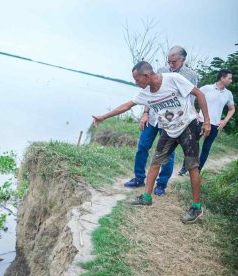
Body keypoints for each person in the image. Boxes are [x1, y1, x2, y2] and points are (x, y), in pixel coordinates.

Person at [93, 61, 211, 224]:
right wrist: (103, 116)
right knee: (155, 162)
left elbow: (199, 94)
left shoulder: (173, 79)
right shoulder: (145, 93)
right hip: (168, 129)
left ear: (147, 75)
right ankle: (147, 197)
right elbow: (127, 105)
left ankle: (196, 206)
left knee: (192, 166)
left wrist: (206, 121)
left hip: (188, 127)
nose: (136, 83)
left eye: (137, 79)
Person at [124, 46, 198, 197]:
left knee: (167, 155)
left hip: (173, 121)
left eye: (174, 62)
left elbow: (192, 98)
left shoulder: (190, 75)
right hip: (153, 118)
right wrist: (145, 113)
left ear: (183, 60)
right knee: (142, 146)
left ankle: (161, 185)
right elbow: (150, 94)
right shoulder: (162, 70)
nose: (171, 65)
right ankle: (139, 178)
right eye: (169, 61)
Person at [178, 69, 235, 174]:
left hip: (215, 125)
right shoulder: (206, 88)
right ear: (222, 78)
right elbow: (191, 98)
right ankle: (185, 168)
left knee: (206, 147)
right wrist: (195, 113)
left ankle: (197, 171)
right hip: (201, 122)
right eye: (229, 78)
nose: (231, 80)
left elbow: (232, 109)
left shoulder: (228, 94)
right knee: (192, 144)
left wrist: (224, 121)